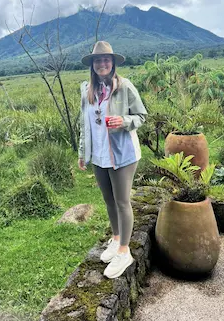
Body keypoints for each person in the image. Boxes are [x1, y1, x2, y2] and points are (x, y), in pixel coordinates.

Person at [78, 41, 147, 279]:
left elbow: (141, 115)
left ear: (113, 63)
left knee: (121, 202)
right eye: (98, 60)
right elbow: (84, 125)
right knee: (108, 201)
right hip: (99, 154)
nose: (102, 64)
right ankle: (116, 239)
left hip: (123, 154)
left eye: (106, 59)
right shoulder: (87, 90)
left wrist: (124, 121)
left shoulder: (124, 86)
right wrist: (82, 153)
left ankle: (124, 252)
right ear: (93, 65)